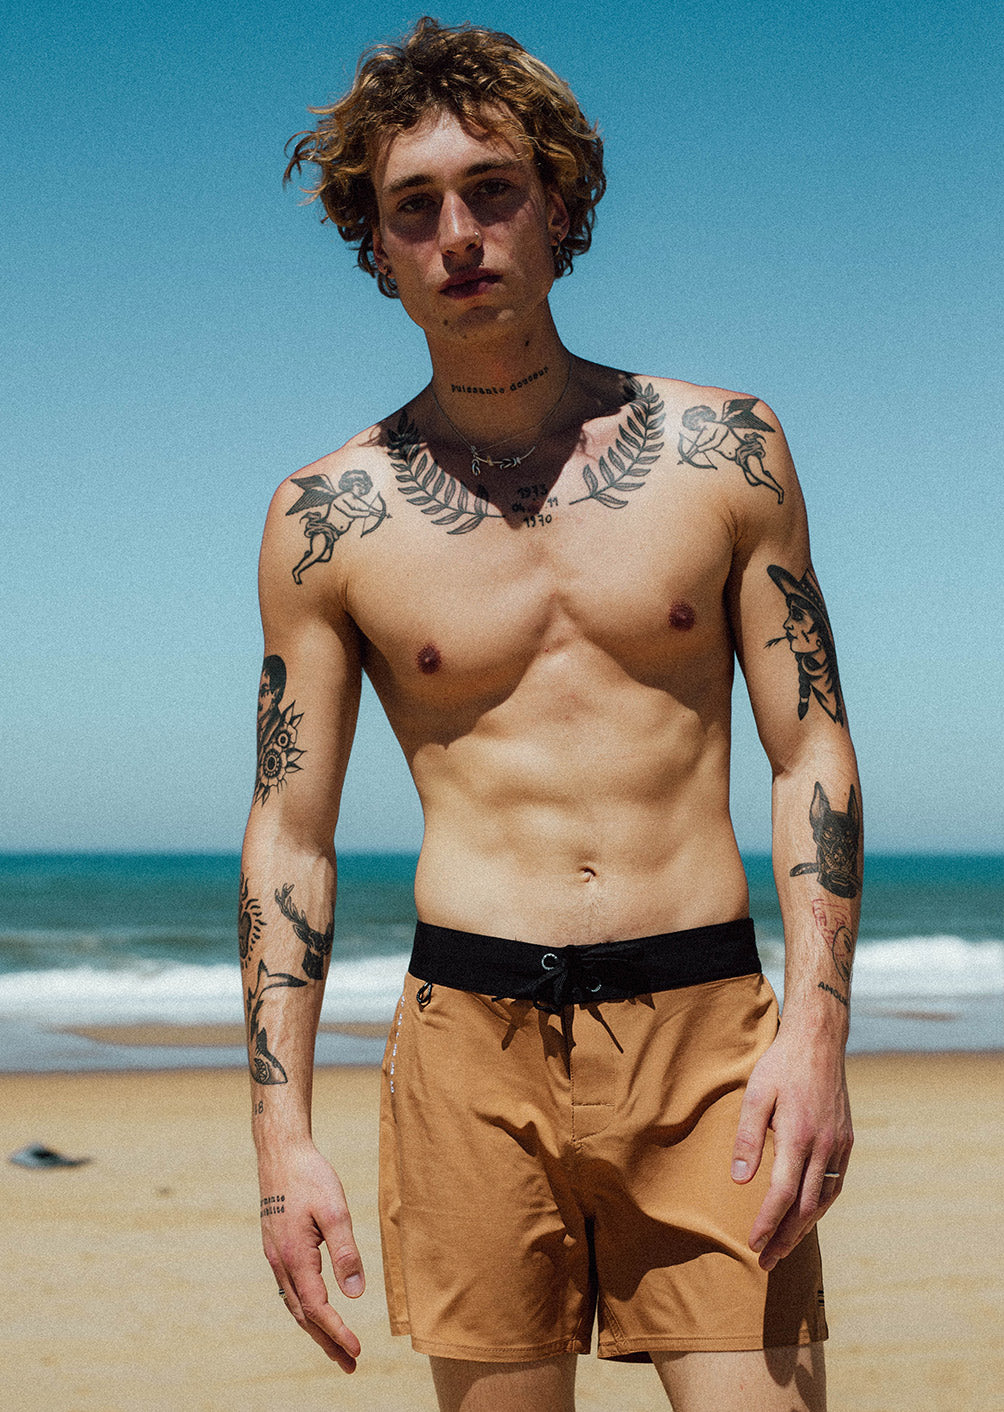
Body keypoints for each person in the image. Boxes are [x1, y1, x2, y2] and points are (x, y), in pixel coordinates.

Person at [239, 17, 861, 1411]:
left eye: (493, 189)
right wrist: (283, 1144)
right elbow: (290, 834)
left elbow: (810, 747)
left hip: (709, 1039)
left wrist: (817, 1038)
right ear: (376, 244)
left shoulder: (727, 450)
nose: (458, 234)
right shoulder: (326, 518)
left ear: (560, 202)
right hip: (468, 1048)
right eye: (414, 206)